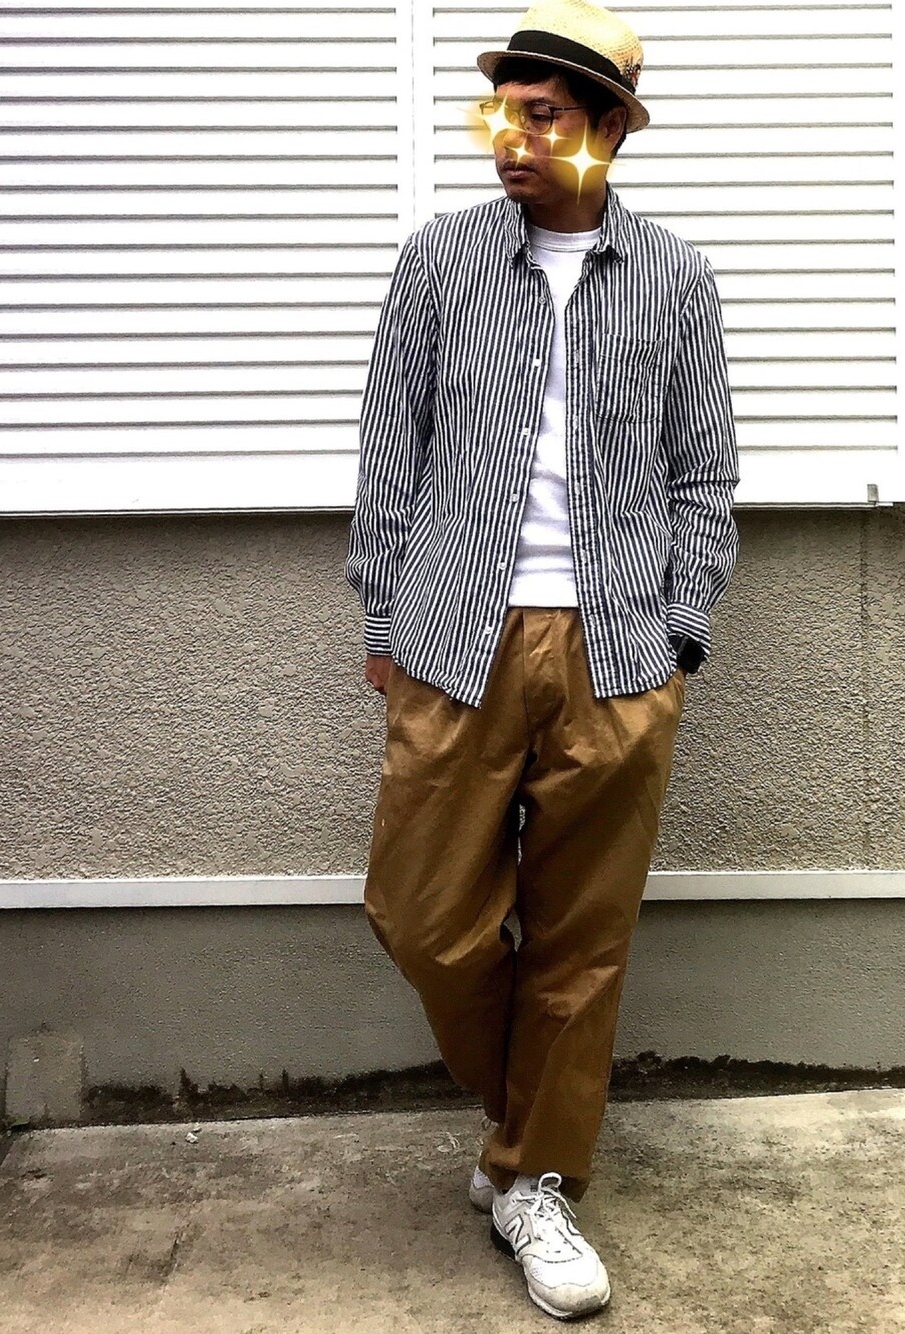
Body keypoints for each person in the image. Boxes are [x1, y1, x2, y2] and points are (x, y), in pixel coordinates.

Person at [345, 0, 740, 1319]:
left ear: (611, 128)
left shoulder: (676, 278)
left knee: (583, 938)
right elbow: (390, 457)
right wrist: (386, 621)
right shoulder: (440, 262)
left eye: (543, 116)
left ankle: (533, 1177)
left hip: (620, 647)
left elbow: (704, 476)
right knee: (421, 916)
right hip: (455, 635)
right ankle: (532, 1114)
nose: (510, 139)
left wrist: (681, 629)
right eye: (499, 115)